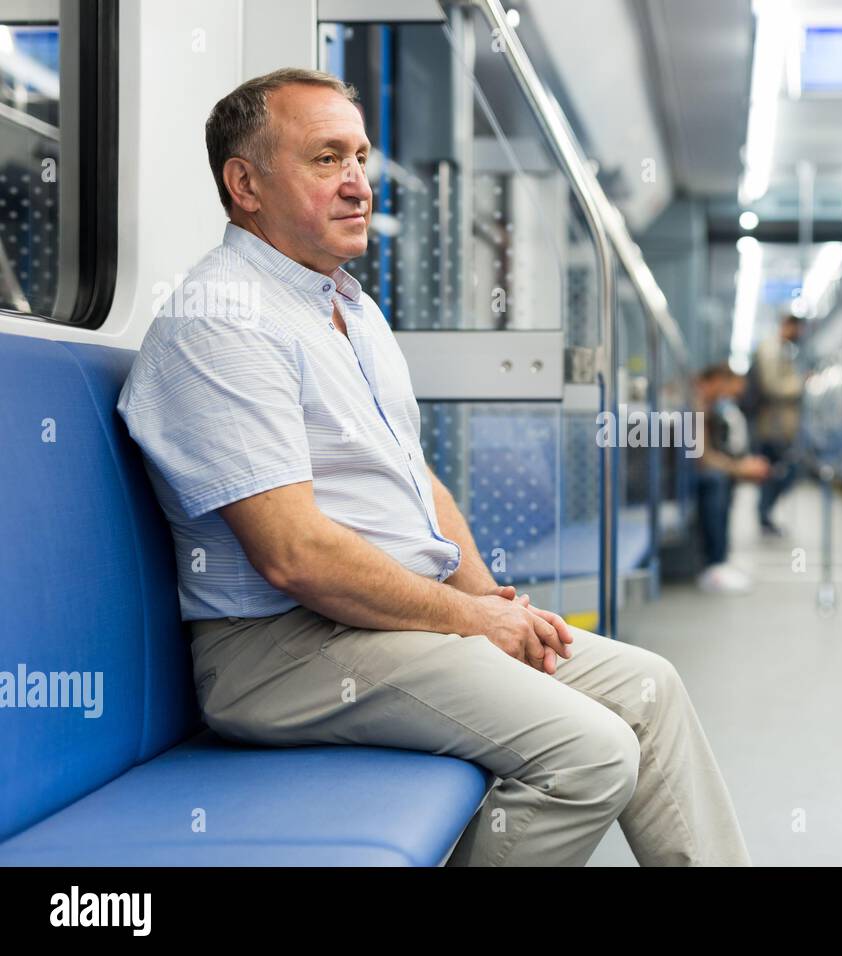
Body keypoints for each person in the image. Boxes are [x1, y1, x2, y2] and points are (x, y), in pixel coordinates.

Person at [115, 68, 750, 867]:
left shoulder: (349, 306)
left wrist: (482, 594)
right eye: (325, 159)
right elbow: (293, 554)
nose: (358, 184)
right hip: (282, 651)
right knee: (590, 754)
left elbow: (417, 478)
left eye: (361, 157)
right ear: (244, 184)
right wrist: (471, 621)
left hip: (388, 622)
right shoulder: (222, 320)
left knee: (650, 689)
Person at [692, 365, 770, 594]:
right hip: (681, 476)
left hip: (690, 472)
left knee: (722, 480)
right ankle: (714, 564)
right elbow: (702, 457)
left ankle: (722, 559)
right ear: (716, 380)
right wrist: (739, 468)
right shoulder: (695, 406)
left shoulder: (709, 408)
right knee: (717, 481)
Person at [751, 313, 806, 536]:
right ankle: (764, 515)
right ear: (787, 326)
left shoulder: (781, 350)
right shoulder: (772, 350)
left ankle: (765, 515)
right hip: (772, 426)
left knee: (777, 471)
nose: (800, 334)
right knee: (779, 471)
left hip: (777, 425)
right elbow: (772, 386)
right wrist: (799, 385)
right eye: (798, 329)